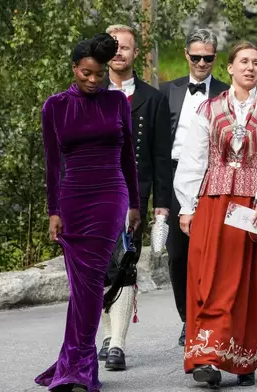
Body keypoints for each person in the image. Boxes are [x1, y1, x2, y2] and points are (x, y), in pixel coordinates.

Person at [174, 41, 257, 388]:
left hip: (254, 204)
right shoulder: (209, 109)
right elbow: (194, 158)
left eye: (256, 62)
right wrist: (187, 205)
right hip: (215, 199)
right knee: (210, 279)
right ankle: (206, 357)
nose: (251, 67)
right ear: (230, 68)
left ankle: (244, 356)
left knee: (250, 281)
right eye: (244, 61)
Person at [36, 33, 140, 392]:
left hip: (111, 194)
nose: (94, 81)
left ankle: (80, 366)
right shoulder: (55, 106)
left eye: (99, 74)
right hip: (72, 199)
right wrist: (53, 210)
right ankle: (72, 360)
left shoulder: (118, 103)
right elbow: (52, 164)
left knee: (93, 278)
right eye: (86, 73)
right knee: (81, 286)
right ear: (74, 68)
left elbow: (129, 158)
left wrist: (136, 204)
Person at [96, 24, 172, 371]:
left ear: (135, 53)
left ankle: (117, 344)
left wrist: (161, 205)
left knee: (125, 264)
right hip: (92, 195)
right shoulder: (89, 90)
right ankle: (107, 335)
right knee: (99, 268)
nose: (118, 53)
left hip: (132, 199)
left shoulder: (152, 98)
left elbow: (160, 155)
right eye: (113, 47)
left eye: (124, 48)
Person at [160, 28, 229, 346]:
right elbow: (158, 144)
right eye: (197, 56)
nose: (202, 62)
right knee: (177, 252)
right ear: (187, 55)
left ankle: (209, 317)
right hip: (175, 175)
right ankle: (187, 318)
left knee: (214, 250)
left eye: (209, 57)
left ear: (216, 58)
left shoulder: (228, 92)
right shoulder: (167, 91)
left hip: (214, 174)